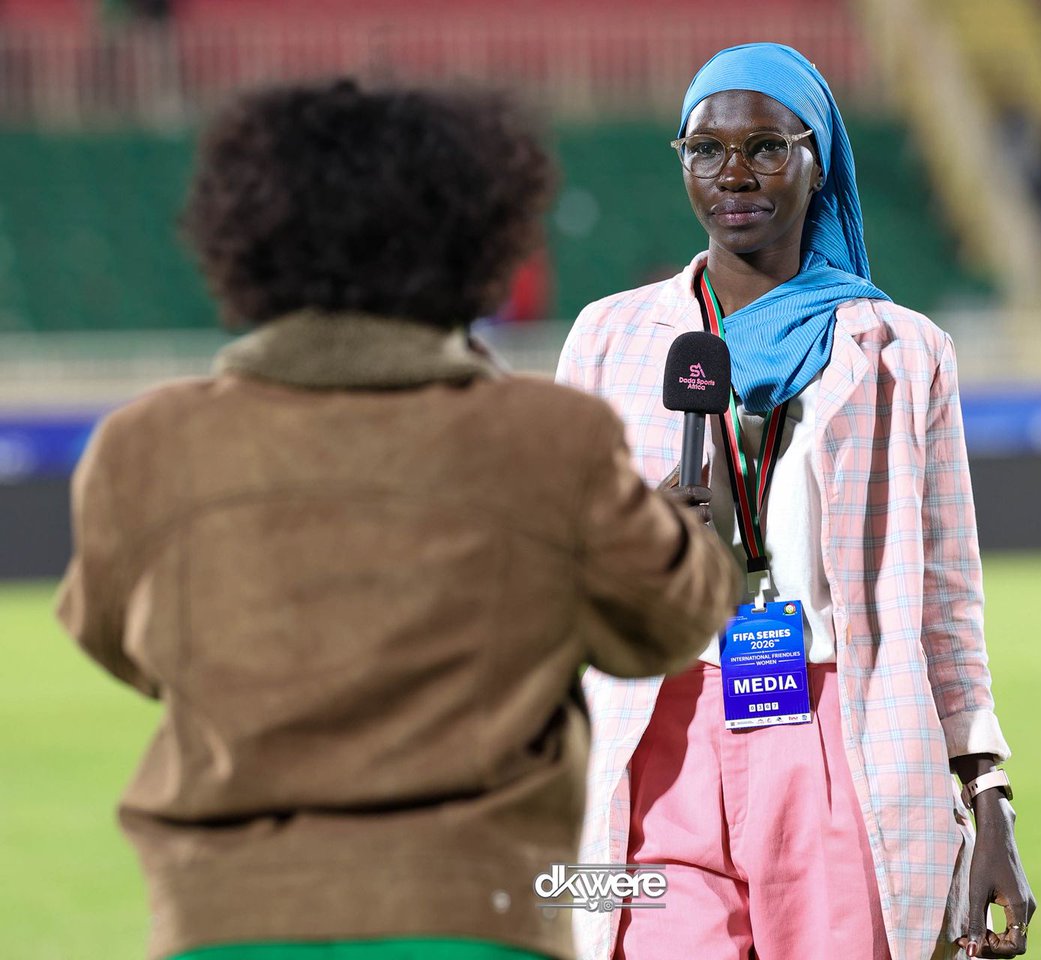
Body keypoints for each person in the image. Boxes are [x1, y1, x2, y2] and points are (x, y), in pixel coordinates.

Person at [56, 79, 740, 960]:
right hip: (473, 917)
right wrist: (686, 535)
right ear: (477, 239)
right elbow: (663, 628)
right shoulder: (547, 438)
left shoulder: (145, 444)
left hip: (223, 920)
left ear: (244, 237)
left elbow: (117, 639)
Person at [556, 43, 1036, 960]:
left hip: (837, 742)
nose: (732, 174)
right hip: (653, 738)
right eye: (705, 148)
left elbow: (945, 602)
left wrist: (990, 801)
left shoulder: (901, 352)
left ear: (820, 162)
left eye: (767, 147)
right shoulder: (611, 339)